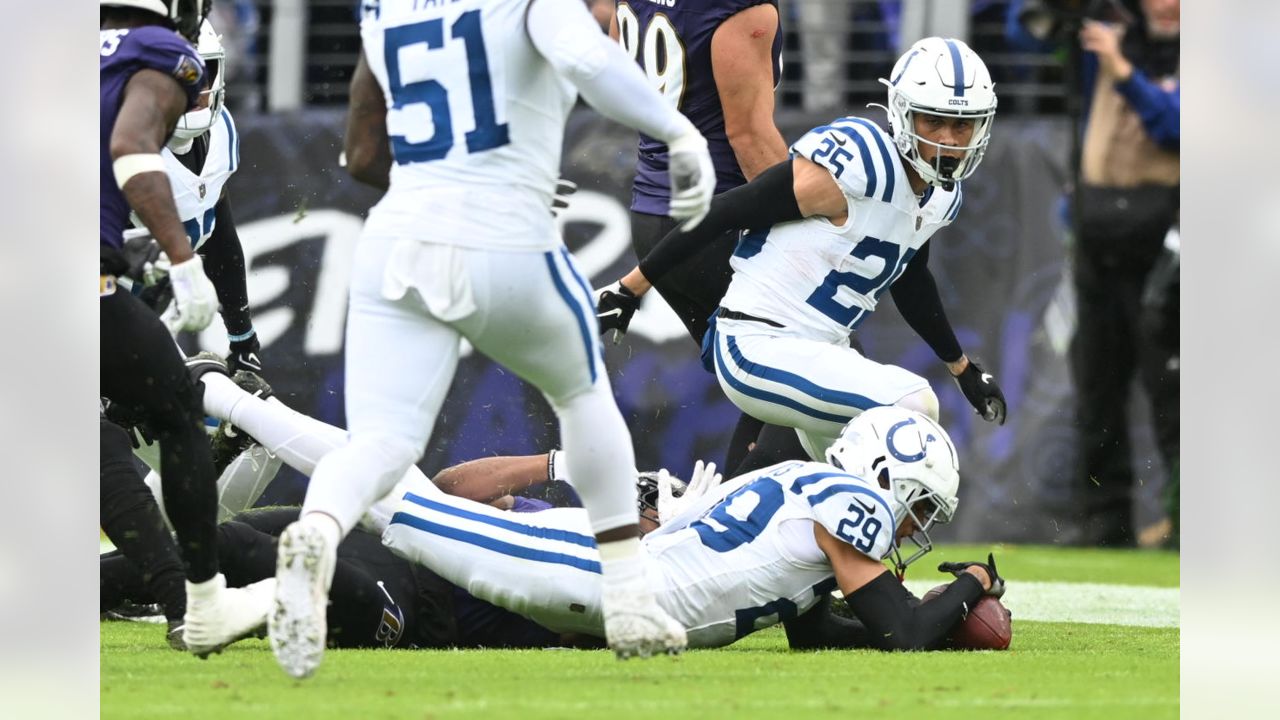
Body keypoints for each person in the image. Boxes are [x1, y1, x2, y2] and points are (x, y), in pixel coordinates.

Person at [270, 0, 717, 679]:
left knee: (382, 444)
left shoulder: (387, 9)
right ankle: (628, 595)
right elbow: (588, 59)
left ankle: (317, 532)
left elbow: (362, 153)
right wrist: (677, 132)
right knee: (582, 392)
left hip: (399, 236)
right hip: (505, 232)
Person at [599, 37, 1009, 461]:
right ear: (904, 114)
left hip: (819, 350)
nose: (948, 140)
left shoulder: (942, 197)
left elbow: (910, 279)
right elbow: (725, 210)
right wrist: (629, 289)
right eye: (933, 122)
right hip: (759, 341)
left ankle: (708, 518)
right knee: (913, 405)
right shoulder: (859, 163)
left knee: (857, 484)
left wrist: (962, 369)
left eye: (962, 126)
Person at [383, 406, 1006, 650]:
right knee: (397, 515)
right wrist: (972, 584)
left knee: (398, 524)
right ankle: (282, 424)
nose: (914, 528)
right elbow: (906, 635)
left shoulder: (794, 495)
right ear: (883, 477)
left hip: (600, 602)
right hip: (601, 579)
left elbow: (818, 634)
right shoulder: (846, 507)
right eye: (918, 508)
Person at [100, 0, 268, 658]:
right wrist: (178, 259)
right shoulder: (156, 52)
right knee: (163, 419)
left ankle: (191, 604)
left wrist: (241, 332)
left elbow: (218, 225)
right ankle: (196, 602)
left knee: (140, 424)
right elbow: (130, 148)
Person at [604, 0, 798, 475]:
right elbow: (748, 136)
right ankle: (726, 535)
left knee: (766, 395)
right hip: (717, 223)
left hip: (654, 219)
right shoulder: (737, 7)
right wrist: (807, 224)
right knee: (815, 385)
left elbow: (610, 71)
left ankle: (725, 531)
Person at [1071, 0, 1179, 546]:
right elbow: (1031, 32)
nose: (1167, 4)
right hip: (1097, 234)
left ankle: (1187, 523)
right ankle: (1103, 527)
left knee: (1177, 392)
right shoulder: (1110, 31)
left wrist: (1124, 74)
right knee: (1097, 387)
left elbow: (1180, 128)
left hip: (1172, 241)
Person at [120, 18, 263, 373]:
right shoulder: (111, 141)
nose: (197, 88)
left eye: (205, 72)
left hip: (151, 319)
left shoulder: (222, 130)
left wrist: (242, 337)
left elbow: (219, 239)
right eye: (182, 74)